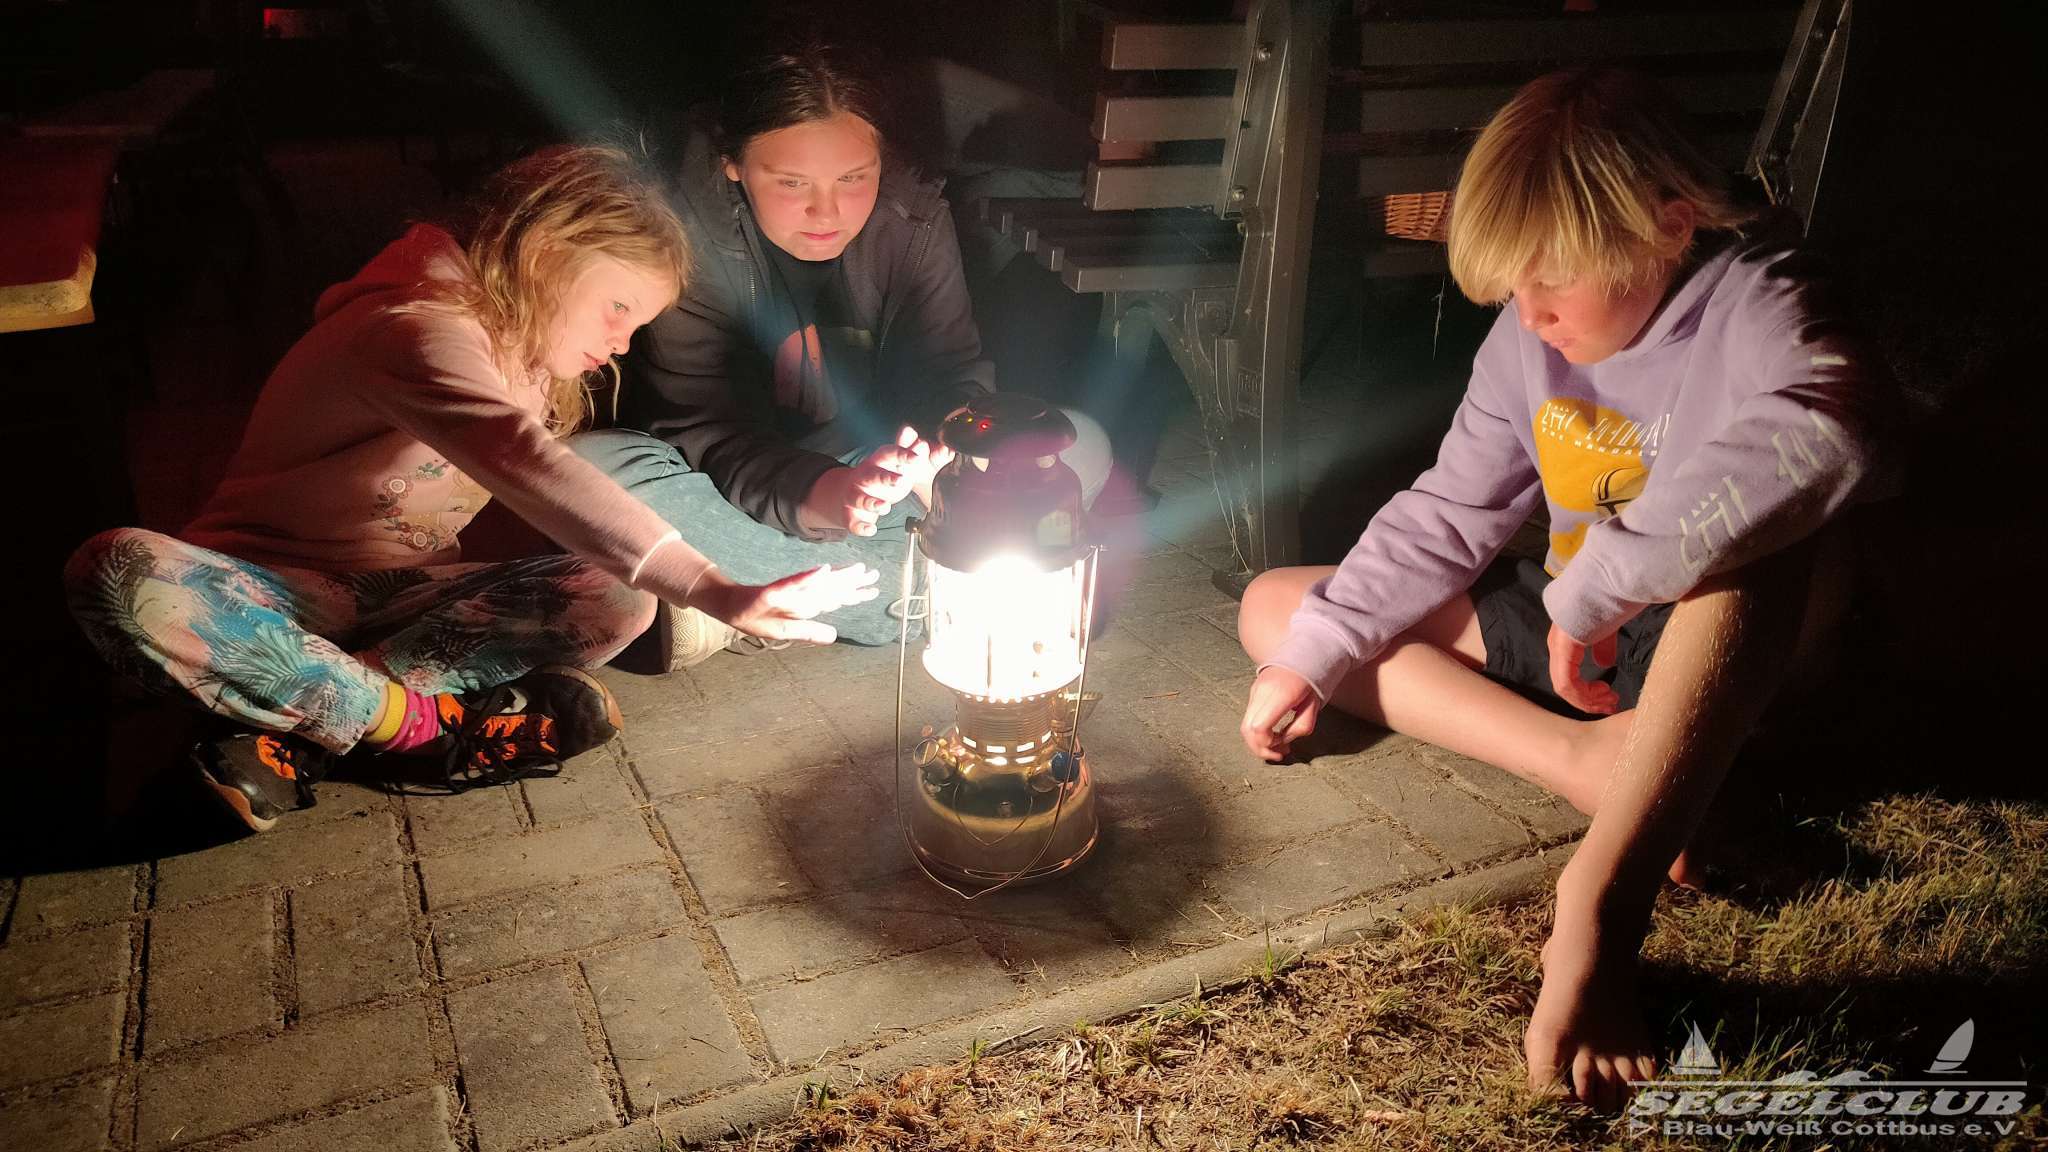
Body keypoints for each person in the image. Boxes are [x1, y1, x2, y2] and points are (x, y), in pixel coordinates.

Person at [1233, 68, 1894, 1109]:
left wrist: (1598, 589)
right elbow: (1451, 510)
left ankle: (1599, 902)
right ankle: (1586, 760)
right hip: (1580, 648)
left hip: (1723, 650)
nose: (1528, 311)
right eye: (1510, 285)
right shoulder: (1526, 337)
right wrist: (1315, 657)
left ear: (1666, 225)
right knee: (1279, 609)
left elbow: (1838, 426)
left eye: (1550, 279)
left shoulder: (1758, 295)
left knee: (1756, 557)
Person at [64, 145, 877, 833]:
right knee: (115, 571)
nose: (623, 343)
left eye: (636, 325)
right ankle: (422, 730)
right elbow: (526, 459)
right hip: (268, 596)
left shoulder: (518, 353)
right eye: (618, 308)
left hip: (396, 602)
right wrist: (714, 588)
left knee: (618, 598)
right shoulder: (413, 329)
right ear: (548, 254)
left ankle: (302, 727)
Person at [573, 43, 1113, 665]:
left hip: (874, 468)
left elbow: (950, 370)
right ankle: (913, 596)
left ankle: (740, 600)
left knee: (1080, 443)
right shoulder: (684, 236)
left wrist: (947, 451)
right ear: (734, 166)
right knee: (592, 468)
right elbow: (705, 433)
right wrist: (825, 492)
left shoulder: (911, 218)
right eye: (791, 182)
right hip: (736, 481)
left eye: (854, 178)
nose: (826, 211)